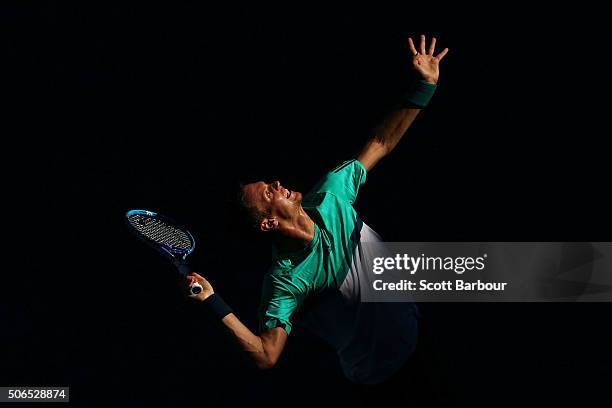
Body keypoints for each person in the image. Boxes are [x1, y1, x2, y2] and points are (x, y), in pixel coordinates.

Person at [186, 35, 448, 384]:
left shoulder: (331, 194)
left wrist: (424, 86)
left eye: (271, 183)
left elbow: (381, 142)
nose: (277, 184)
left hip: (424, 348)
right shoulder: (285, 280)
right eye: (268, 193)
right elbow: (266, 355)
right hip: (383, 386)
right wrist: (212, 299)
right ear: (267, 223)